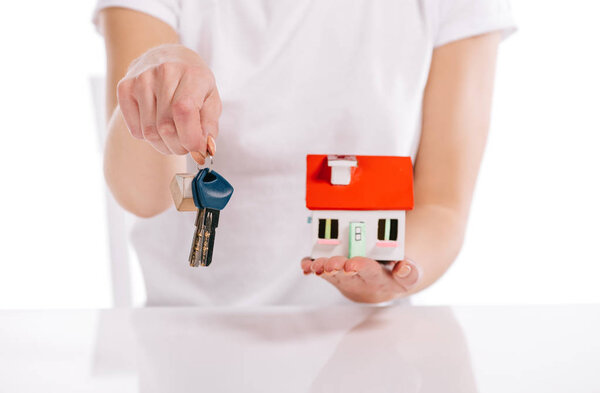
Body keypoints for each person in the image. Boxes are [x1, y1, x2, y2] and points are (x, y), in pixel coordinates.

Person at [93, 0, 515, 306]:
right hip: (189, 340)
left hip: (369, 345)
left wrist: (396, 272)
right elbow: (144, 197)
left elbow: (442, 207)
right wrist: (155, 73)